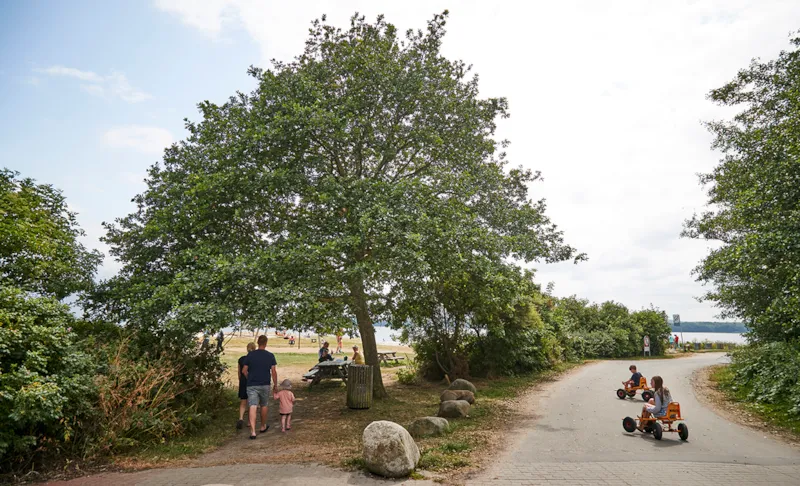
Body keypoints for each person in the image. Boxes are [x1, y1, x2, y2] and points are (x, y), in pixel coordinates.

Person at [242, 335, 278, 439]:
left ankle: (253, 431)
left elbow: (244, 370)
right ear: (266, 343)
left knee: (253, 405)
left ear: (258, 343)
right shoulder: (270, 356)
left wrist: (249, 377)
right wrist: (275, 385)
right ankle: (262, 426)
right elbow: (274, 372)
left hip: (252, 384)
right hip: (265, 383)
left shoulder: (250, 355)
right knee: (264, 404)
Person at [236, 342, 257, 429]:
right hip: (252, 381)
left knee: (243, 401)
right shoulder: (255, 359)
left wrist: (241, 380)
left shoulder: (241, 359)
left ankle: (241, 418)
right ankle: (249, 421)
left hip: (243, 382)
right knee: (251, 402)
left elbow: (239, 373)